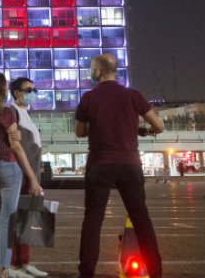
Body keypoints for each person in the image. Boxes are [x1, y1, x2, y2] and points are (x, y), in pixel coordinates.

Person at [74, 54, 164, 278]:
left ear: (98, 71)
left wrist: (97, 127)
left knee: (93, 220)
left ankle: (86, 272)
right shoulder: (132, 95)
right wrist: (138, 129)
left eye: (92, 69)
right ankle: (155, 272)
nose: (90, 72)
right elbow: (159, 126)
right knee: (141, 219)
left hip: (100, 163)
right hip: (129, 164)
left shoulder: (89, 98)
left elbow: (79, 132)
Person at [0, 72, 43, 278]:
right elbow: (17, 148)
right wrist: (32, 178)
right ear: (0, 89)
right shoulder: (6, 113)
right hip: (8, 168)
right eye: (3, 86)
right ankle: (3, 270)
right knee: (7, 221)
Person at [8, 77, 49, 278]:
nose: (33, 91)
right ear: (17, 92)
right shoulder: (13, 112)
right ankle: (14, 265)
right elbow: (17, 147)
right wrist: (32, 178)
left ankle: (24, 262)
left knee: (27, 219)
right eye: (29, 89)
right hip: (23, 174)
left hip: (31, 173)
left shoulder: (25, 113)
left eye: (34, 88)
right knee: (18, 220)